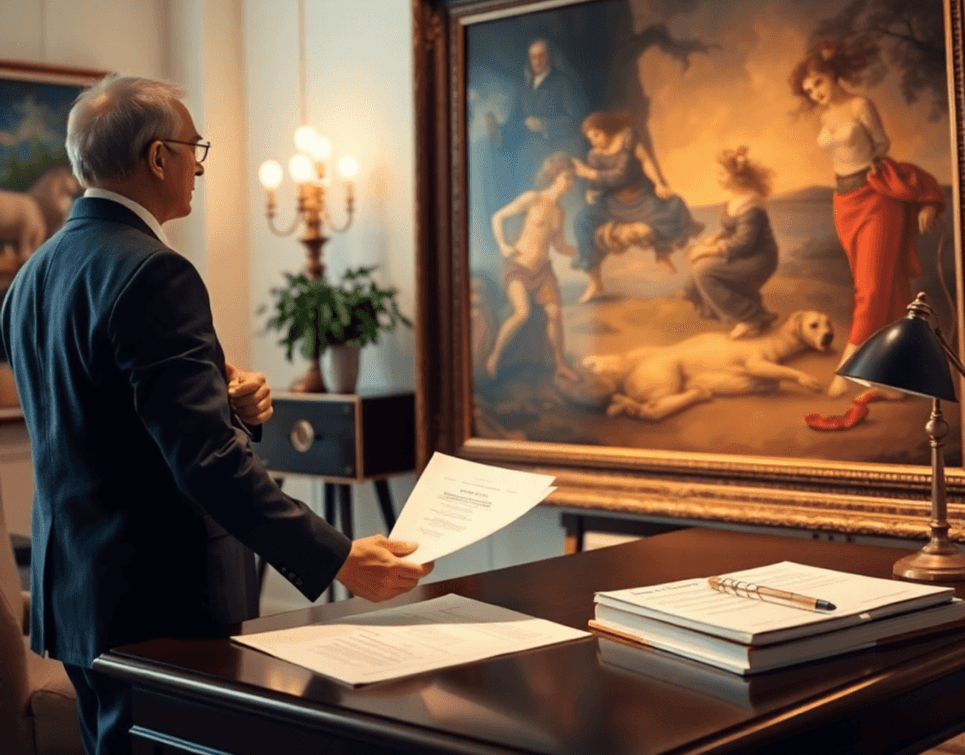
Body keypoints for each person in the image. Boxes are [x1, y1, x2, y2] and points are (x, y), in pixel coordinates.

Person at [0, 75, 432, 755]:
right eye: (193, 147)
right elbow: (206, 462)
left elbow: (95, 417)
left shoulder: (31, 276)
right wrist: (341, 557)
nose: (200, 166)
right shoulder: (154, 273)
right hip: (160, 605)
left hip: (78, 595)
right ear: (158, 157)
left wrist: (227, 405)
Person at [789, 40, 944, 397]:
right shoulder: (824, 115)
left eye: (818, 83)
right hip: (844, 202)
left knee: (870, 288)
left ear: (832, 73)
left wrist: (872, 164)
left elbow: (881, 143)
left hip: (876, 198)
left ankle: (850, 368)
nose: (815, 93)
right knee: (883, 286)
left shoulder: (861, 105)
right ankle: (892, 378)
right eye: (809, 90)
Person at [571, 109, 702, 303]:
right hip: (613, 203)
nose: (594, 141)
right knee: (581, 221)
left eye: (596, 135)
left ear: (606, 130)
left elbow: (637, 165)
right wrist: (591, 190)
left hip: (640, 197)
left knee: (673, 205)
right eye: (590, 139)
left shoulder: (627, 140)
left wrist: (658, 183)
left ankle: (662, 252)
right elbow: (597, 182)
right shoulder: (594, 155)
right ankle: (595, 281)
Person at [485, 152, 579, 381]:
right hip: (518, 266)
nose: (570, 183)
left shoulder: (560, 212)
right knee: (522, 313)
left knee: (555, 313)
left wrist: (582, 250)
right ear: (554, 176)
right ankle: (494, 357)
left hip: (543, 272)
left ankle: (560, 365)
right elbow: (497, 217)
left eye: (572, 178)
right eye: (567, 177)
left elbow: (559, 246)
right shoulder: (533, 199)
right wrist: (503, 246)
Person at [683, 146, 779, 339]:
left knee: (704, 271)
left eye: (722, 173)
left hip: (759, 258)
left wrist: (707, 251)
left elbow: (744, 242)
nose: (718, 177)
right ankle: (757, 314)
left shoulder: (751, 204)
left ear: (737, 177)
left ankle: (750, 318)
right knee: (697, 268)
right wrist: (714, 239)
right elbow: (730, 230)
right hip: (744, 254)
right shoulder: (734, 201)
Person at [494, 39, 586, 194]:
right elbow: (515, 119)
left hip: (558, 153)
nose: (537, 61)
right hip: (529, 157)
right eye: (533, 57)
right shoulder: (524, 88)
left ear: (549, 57)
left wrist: (544, 124)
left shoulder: (562, 83)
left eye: (541, 56)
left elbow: (576, 119)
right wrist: (499, 129)